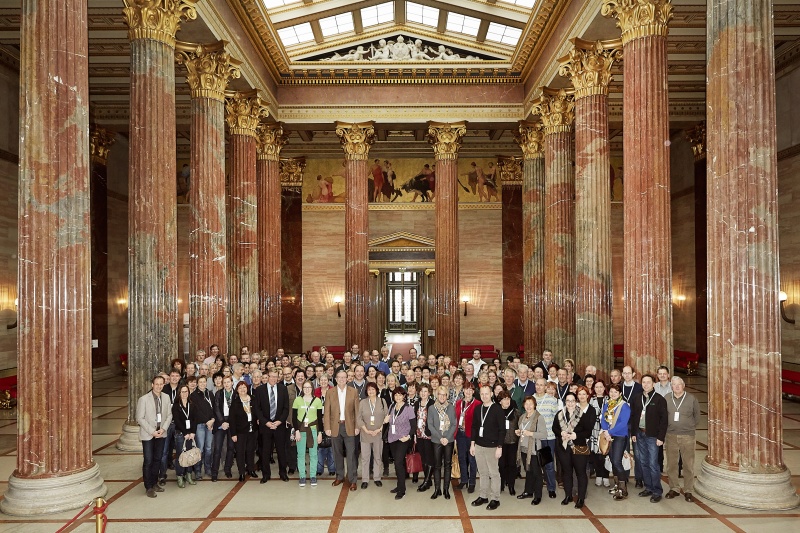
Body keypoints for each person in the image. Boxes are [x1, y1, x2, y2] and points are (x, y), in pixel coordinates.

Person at [553, 389, 595, 508]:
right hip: (564, 448)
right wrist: (561, 433)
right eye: (568, 401)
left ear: (575, 402)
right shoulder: (560, 414)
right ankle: (568, 495)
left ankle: (581, 498)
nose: (570, 403)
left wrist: (576, 435)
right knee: (566, 473)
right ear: (565, 402)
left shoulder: (582, 414)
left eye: (572, 401)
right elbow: (554, 428)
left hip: (579, 447)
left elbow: (588, 431)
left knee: (581, 473)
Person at [630, 374, 668, 502]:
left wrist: (661, 437)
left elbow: (664, 420)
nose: (646, 385)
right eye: (644, 382)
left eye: (648, 382)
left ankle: (657, 490)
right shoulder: (637, 398)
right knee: (643, 462)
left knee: (653, 464)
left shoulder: (659, 399)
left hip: (652, 436)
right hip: (640, 434)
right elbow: (634, 417)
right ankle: (649, 487)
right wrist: (634, 433)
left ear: (653, 384)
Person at [470, 384, 506, 511]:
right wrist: (472, 443)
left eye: (487, 393)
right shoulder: (477, 408)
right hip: (479, 446)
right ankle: (483, 495)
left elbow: (502, 430)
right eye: (482, 394)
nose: (484, 396)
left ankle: (495, 498)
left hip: (492, 447)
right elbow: (474, 427)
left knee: (494, 473)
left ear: (491, 394)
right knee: (483, 473)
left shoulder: (497, 409)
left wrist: (499, 447)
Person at [664, 376, 700, 502]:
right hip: (671, 436)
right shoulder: (667, 398)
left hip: (688, 436)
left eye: (679, 384)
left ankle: (688, 490)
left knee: (688, 465)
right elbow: (663, 416)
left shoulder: (691, 398)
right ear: (671, 386)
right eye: (674, 384)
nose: (677, 387)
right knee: (672, 465)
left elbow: (697, 417)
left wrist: (688, 427)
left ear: (683, 385)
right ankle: (674, 488)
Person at [136, 375, 172, 498]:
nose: (159, 386)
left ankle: (155, 482)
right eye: (156, 384)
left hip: (161, 433)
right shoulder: (144, 399)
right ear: (152, 385)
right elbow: (140, 418)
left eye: (161, 384)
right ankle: (148, 486)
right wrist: (152, 431)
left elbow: (169, 415)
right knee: (148, 460)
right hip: (148, 434)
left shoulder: (166, 397)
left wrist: (163, 429)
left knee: (158, 459)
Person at [324, 370, 360, 491]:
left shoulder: (353, 391)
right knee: (337, 453)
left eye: (344, 377)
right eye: (339, 377)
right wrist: (327, 427)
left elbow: (357, 412)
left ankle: (353, 480)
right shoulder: (330, 392)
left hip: (349, 426)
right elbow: (327, 412)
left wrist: (357, 427)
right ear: (335, 379)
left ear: (347, 379)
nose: (341, 379)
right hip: (335, 427)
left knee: (351, 455)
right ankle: (339, 476)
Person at [253, 369, 290, 483]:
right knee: (265, 451)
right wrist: (266, 422)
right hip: (266, 426)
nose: (273, 378)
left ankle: (283, 473)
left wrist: (279, 421)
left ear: (278, 377)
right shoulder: (260, 390)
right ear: (267, 377)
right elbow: (257, 409)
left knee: (281, 451)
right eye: (271, 376)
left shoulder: (283, 389)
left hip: (279, 425)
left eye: (276, 376)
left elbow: (286, 408)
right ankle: (266, 474)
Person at [600, 383, 632, 500]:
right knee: (612, 460)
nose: (613, 394)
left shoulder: (624, 406)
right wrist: (605, 431)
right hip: (608, 435)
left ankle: (623, 490)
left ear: (620, 394)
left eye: (615, 392)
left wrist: (610, 432)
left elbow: (623, 423)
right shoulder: (607, 404)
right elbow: (603, 419)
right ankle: (617, 485)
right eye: (611, 392)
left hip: (619, 436)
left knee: (617, 462)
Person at [515, 395, 549, 505]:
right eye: (526, 404)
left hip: (534, 450)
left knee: (537, 473)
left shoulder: (539, 417)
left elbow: (544, 434)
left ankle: (538, 495)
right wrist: (518, 432)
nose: (528, 406)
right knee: (528, 471)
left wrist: (531, 434)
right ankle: (528, 491)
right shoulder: (523, 416)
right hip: (524, 449)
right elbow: (521, 429)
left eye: (531, 404)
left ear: (534, 405)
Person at [385, 387, 415, 499]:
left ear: (404, 396)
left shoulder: (408, 408)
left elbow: (413, 425)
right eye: (395, 395)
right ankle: (399, 485)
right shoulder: (392, 406)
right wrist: (386, 420)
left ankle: (401, 490)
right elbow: (388, 421)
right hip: (392, 438)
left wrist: (408, 437)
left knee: (397, 463)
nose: (397, 397)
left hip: (403, 439)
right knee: (400, 463)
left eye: (400, 395)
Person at [357, 382, 387, 489]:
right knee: (365, 458)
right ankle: (365, 479)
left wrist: (380, 429)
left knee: (378, 457)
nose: (371, 391)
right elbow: (359, 418)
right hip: (365, 434)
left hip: (378, 434)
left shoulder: (382, 401)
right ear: (366, 391)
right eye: (369, 389)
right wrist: (366, 429)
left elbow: (386, 417)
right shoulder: (363, 402)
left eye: (373, 389)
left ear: (376, 390)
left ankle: (377, 477)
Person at [293, 380, 323, 487]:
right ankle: (302, 476)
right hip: (300, 431)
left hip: (313, 430)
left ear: (312, 388)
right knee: (300, 454)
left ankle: (313, 476)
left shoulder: (317, 401)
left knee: (313, 454)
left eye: (309, 387)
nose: (307, 389)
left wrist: (320, 433)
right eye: (305, 387)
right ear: (302, 389)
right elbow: (294, 417)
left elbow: (320, 419)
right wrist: (296, 431)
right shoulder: (297, 400)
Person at [428, 385, 457, 500]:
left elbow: (454, 424)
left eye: (444, 394)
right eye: (440, 394)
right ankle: (437, 489)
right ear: (437, 395)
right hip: (436, 440)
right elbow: (430, 425)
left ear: (447, 396)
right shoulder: (431, 408)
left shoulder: (451, 407)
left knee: (448, 465)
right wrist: (440, 437)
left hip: (448, 440)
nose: (442, 396)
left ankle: (446, 489)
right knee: (437, 465)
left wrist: (447, 437)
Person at [533, 378, 559, 498]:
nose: (539, 387)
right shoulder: (531, 399)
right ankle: (536, 488)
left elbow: (556, 419)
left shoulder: (552, 400)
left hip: (548, 437)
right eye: (537, 385)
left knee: (548, 463)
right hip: (534, 437)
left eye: (541, 385)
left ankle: (551, 488)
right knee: (536, 463)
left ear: (545, 387)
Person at [230, 380, 259, 482]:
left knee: (251, 451)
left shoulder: (253, 399)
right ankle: (241, 472)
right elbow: (232, 419)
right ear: (237, 390)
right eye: (240, 388)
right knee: (240, 452)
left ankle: (251, 469)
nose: (242, 389)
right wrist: (233, 434)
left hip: (253, 430)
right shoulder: (235, 402)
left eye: (244, 387)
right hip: (240, 431)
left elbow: (258, 412)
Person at [170, 385, 198, 488]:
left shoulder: (192, 404)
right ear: (179, 393)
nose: (185, 393)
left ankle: (189, 475)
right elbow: (177, 421)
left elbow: (195, 419)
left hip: (191, 434)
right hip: (181, 434)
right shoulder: (176, 406)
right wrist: (186, 432)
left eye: (186, 391)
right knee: (181, 456)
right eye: (182, 392)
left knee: (190, 455)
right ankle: (180, 476)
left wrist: (193, 432)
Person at [454, 382, 479, 493]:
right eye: (466, 389)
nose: (468, 392)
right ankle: (464, 479)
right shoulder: (459, 403)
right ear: (463, 391)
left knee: (472, 459)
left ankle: (472, 482)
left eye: (470, 390)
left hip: (471, 435)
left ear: (473, 392)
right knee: (461, 458)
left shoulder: (478, 404)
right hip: (460, 434)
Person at [190, 375, 215, 481]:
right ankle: (198, 470)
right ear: (197, 383)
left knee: (209, 448)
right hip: (200, 425)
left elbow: (214, 408)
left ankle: (208, 468)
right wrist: (207, 421)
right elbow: (196, 412)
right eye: (200, 382)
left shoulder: (210, 394)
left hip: (210, 424)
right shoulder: (193, 395)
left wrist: (213, 420)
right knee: (200, 449)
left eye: (204, 382)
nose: (203, 384)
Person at [211, 375, 236, 482]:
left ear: (232, 382)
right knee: (217, 448)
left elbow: (237, 410)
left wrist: (229, 422)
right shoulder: (219, 393)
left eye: (228, 382)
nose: (226, 384)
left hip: (232, 423)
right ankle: (214, 472)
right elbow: (216, 408)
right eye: (224, 382)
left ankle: (227, 469)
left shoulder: (236, 394)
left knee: (231, 447)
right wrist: (223, 422)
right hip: (221, 422)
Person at [497, 391, 519, 495]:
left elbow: (521, 425)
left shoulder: (515, 412)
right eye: (504, 399)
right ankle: (501, 483)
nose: (507, 401)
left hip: (512, 442)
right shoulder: (496, 412)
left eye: (508, 399)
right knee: (501, 464)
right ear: (500, 401)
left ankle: (511, 485)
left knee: (511, 464)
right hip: (500, 443)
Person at [589, 379, 610, 487]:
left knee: (605, 453)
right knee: (596, 455)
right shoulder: (591, 400)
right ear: (593, 388)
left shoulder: (609, 399)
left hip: (606, 430)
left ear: (604, 388)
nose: (599, 389)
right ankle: (598, 475)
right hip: (594, 430)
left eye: (601, 387)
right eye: (596, 387)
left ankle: (606, 476)